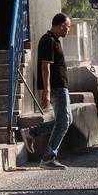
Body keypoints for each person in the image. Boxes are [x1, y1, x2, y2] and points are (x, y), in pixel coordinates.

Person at [20, 13, 73, 170]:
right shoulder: (47, 40)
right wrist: (47, 91)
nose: (68, 30)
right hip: (56, 87)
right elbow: (45, 66)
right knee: (63, 122)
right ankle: (48, 157)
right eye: (68, 27)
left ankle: (31, 132)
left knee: (67, 121)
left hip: (61, 86)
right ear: (62, 25)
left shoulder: (55, 41)